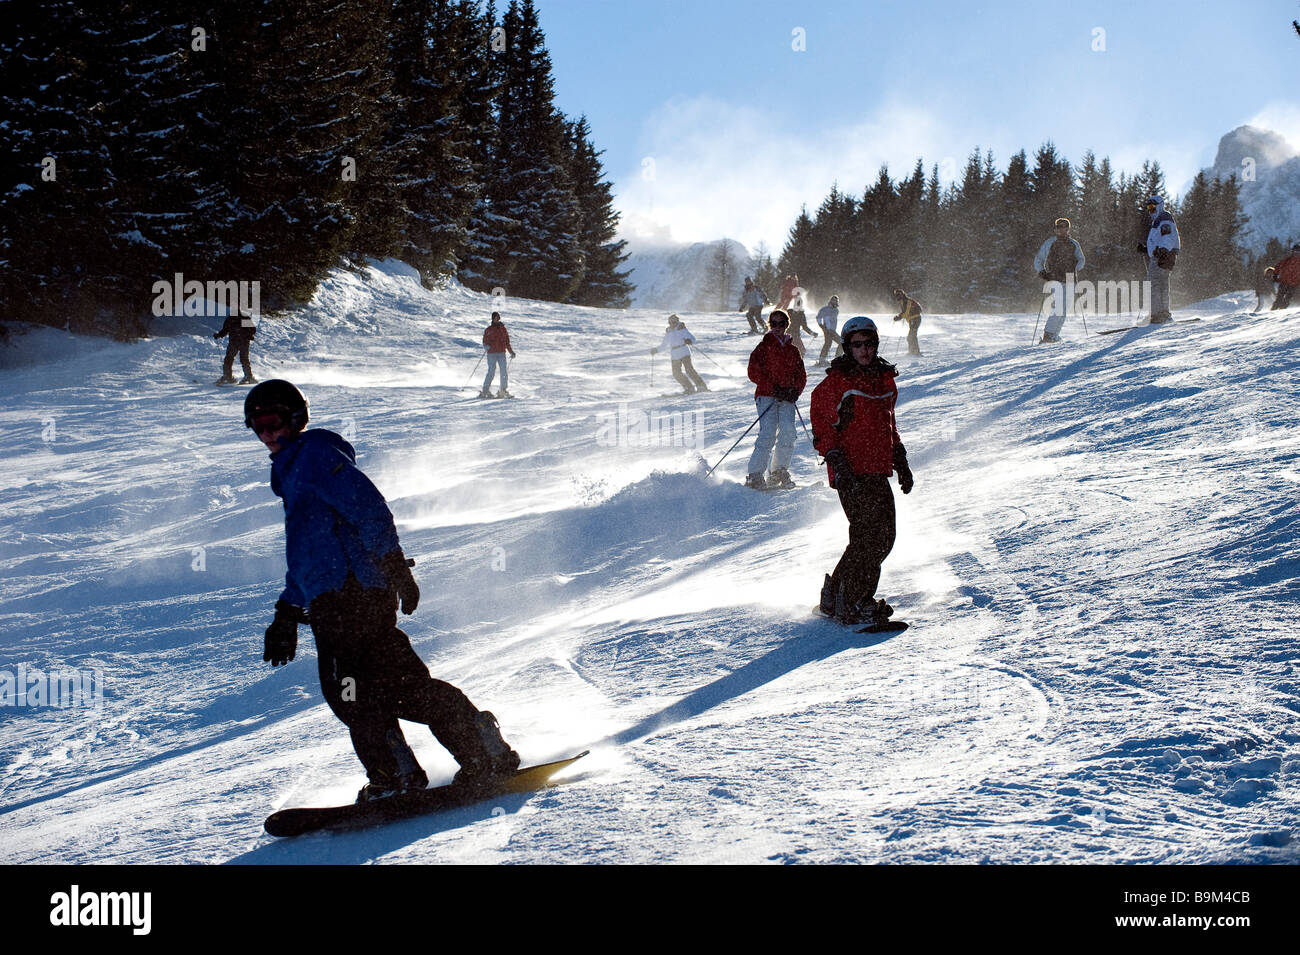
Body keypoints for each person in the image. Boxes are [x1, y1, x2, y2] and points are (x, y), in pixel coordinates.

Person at [244, 380, 520, 801]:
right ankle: (479, 748)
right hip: (339, 597)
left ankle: (397, 775)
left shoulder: (314, 457)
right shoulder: (294, 469)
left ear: (296, 418)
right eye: (257, 428)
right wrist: (287, 611)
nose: (267, 436)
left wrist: (394, 565)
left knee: (352, 693)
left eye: (272, 424)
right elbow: (307, 555)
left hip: (350, 596)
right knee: (400, 686)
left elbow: (368, 507)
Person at [810, 317, 913, 626]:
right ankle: (856, 600)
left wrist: (901, 460)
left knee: (880, 536)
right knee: (870, 536)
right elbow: (821, 423)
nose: (864, 350)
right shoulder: (838, 382)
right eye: (857, 345)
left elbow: (888, 425)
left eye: (869, 344)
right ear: (847, 347)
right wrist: (837, 461)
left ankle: (835, 596)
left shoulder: (883, 378)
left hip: (877, 469)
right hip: (851, 471)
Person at [745, 309, 806, 490]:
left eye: (782, 324)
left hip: (787, 396)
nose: (778, 327)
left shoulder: (793, 350)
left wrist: (795, 392)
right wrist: (773, 388)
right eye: (774, 324)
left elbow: (801, 375)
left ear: (787, 325)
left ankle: (778, 471)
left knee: (788, 432)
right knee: (768, 433)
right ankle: (755, 475)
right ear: (769, 325)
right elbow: (753, 371)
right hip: (767, 396)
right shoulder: (763, 346)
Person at [1033, 218, 1085, 342]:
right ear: (1055, 229)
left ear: (1068, 229)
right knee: (1059, 307)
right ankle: (1048, 335)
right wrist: (1042, 272)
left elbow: (1081, 259)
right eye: (1059, 227)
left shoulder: (1074, 243)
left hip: (1070, 279)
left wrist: (1075, 267)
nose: (1061, 229)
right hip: (1055, 278)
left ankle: (1054, 335)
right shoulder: (1050, 242)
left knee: (1065, 309)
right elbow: (1039, 259)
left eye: (1064, 227)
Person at [1136, 196, 1179, 324]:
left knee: (1155, 284)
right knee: (1161, 284)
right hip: (1164, 255)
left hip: (1163, 256)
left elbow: (1168, 237)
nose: (1150, 210)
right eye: (1148, 207)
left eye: (1152, 207)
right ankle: (1163, 313)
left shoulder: (1164, 219)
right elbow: (1159, 240)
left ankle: (1156, 314)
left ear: (1159, 205)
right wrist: (1146, 249)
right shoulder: (1160, 220)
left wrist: (1163, 250)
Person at [651, 313, 708, 394]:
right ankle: (689, 388)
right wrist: (656, 350)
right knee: (676, 373)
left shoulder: (682, 329)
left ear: (677, 322)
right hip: (674, 354)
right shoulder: (668, 332)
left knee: (689, 370)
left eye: (673, 322)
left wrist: (689, 340)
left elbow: (692, 338)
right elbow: (664, 345)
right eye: (670, 322)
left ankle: (701, 386)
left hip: (684, 352)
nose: (672, 324)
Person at [214, 310, 257, 384]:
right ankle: (247, 377)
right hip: (239, 342)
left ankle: (229, 377)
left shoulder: (235, 318)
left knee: (232, 359)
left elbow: (252, 330)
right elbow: (225, 330)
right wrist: (218, 335)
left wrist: (219, 335)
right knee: (237, 359)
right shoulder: (240, 317)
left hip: (239, 342)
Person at [480, 312, 516, 398]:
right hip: (491, 353)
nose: (496, 319)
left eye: (497, 317)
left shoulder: (503, 329)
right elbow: (485, 340)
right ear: (492, 319)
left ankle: (503, 390)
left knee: (503, 371)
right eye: (494, 318)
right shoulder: (489, 329)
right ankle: (485, 390)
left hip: (501, 353)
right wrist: (486, 346)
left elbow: (507, 341)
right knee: (491, 371)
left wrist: (511, 351)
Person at [785, 286, 817, 358]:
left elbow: (805, 327)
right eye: (797, 303)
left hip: (795, 335)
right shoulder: (789, 312)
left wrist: (812, 333)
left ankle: (795, 365)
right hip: (787, 334)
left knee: (801, 351)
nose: (798, 305)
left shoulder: (801, 315)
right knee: (795, 351)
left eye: (800, 303)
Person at [891, 288, 924, 355]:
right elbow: (905, 312)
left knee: (912, 336)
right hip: (912, 320)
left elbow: (906, 312)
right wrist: (899, 316)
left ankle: (915, 352)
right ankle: (912, 351)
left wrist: (899, 317)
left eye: (899, 295)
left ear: (902, 294)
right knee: (910, 336)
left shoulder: (907, 301)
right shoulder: (903, 301)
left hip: (915, 319)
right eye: (896, 295)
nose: (897, 296)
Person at [1270, 244, 1300, 310]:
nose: (1296, 254)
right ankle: (1273, 310)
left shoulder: (1289, 260)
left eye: (1298, 252)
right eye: (1295, 252)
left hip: (1294, 284)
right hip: (1284, 282)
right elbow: (1278, 267)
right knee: (1279, 298)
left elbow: (1278, 267)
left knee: (1287, 299)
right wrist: (1275, 275)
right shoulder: (1287, 260)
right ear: (1292, 252)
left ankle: (1281, 311)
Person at [815, 295, 842, 366]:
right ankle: (823, 360)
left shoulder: (836, 310)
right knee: (838, 343)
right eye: (833, 300)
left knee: (831, 343)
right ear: (830, 301)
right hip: (827, 330)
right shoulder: (825, 309)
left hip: (833, 330)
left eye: (836, 301)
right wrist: (823, 327)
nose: (835, 302)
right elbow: (818, 318)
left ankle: (836, 358)